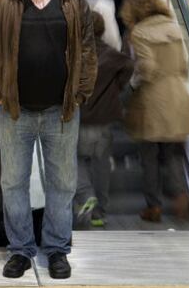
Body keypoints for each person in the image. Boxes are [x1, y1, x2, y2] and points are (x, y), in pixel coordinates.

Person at [0, 0, 97, 279]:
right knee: (13, 183)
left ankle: (57, 250)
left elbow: (88, 52)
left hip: (61, 112)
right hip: (16, 112)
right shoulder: (4, 2)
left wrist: (80, 94)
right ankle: (20, 250)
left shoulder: (74, 2)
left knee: (62, 184)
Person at [120, 0, 189, 222]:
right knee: (173, 154)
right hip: (178, 96)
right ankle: (181, 197)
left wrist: (130, 87)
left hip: (153, 99)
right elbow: (184, 63)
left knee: (149, 156)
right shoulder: (174, 27)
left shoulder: (140, 32)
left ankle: (154, 207)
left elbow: (147, 68)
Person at [75, 11, 133, 228]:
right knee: (101, 165)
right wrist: (116, 88)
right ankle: (99, 212)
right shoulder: (113, 56)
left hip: (81, 118)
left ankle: (85, 194)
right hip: (105, 120)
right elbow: (129, 67)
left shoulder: (73, 55)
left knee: (75, 160)